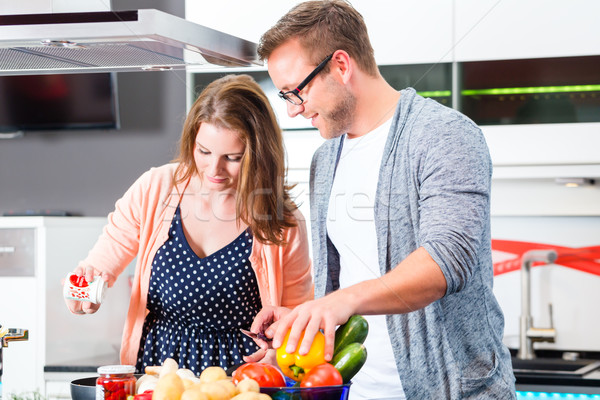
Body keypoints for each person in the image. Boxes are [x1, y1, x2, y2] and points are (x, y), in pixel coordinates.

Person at [247, 1, 517, 398]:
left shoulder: (444, 135)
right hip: (358, 389)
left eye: (296, 91)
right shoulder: (326, 158)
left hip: (450, 389)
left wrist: (339, 302)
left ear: (340, 65)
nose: (293, 111)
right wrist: (306, 322)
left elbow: (447, 260)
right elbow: (348, 285)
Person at [64, 74, 313, 375]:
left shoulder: (282, 221)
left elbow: (298, 316)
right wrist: (82, 294)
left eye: (233, 158)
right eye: (204, 152)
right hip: (156, 374)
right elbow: (99, 264)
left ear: (259, 155)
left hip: (239, 381)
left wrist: (280, 353)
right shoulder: (155, 188)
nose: (214, 170)